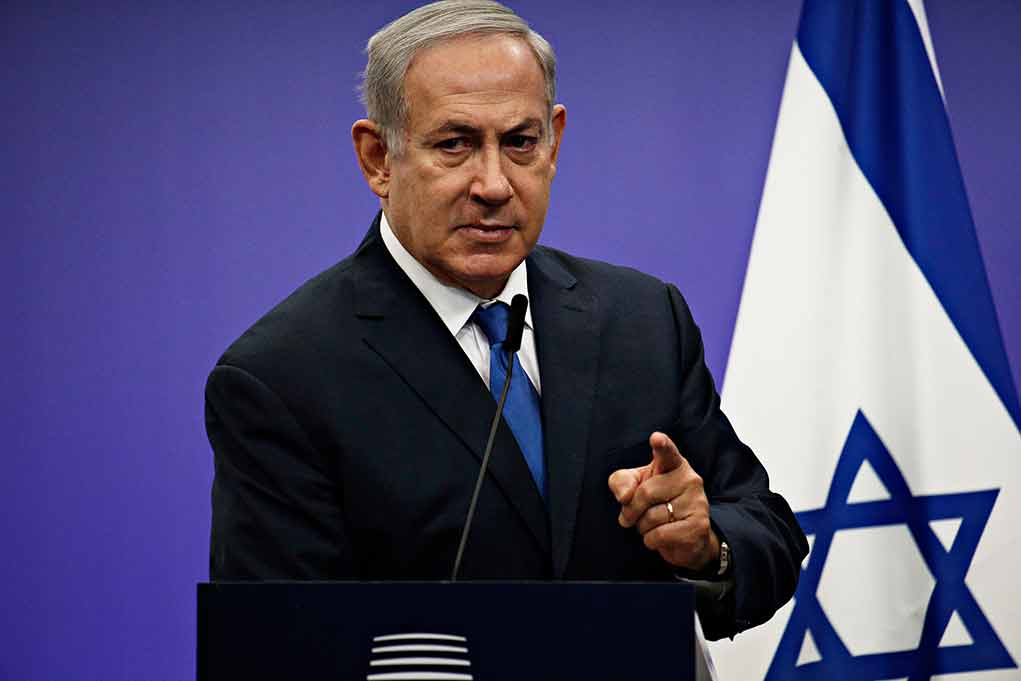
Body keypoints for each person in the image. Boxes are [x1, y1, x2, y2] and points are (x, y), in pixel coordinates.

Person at [205, 0, 808, 649]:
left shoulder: (641, 318)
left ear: (553, 142)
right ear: (379, 157)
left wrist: (703, 544)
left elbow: (767, 532)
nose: (492, 183)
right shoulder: (282, 376)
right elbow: (277, 647)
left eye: (519, 142)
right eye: (454, 144)